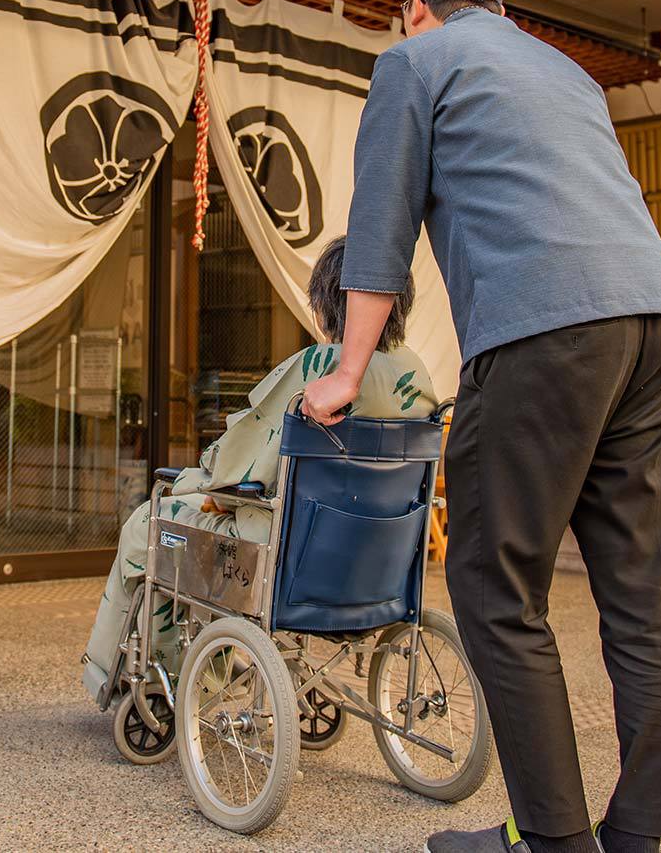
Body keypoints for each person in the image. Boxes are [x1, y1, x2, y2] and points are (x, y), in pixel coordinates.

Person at [300, 0, 661, 853]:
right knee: (643, 594)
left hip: (543, 329)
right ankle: (637, 834)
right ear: (503, 7)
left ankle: (552, 842)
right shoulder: (568, 74)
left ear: (415, 7)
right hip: (656, 323)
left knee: (493, 582)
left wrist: (350, 372)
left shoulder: (413, 60)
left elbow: (381, 225)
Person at [80, 235, 438, 704]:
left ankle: (139, 678)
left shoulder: (321, 369)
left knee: (150, 524)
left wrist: (201, 480)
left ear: (327, 305)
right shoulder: (419, 375)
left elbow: (236, 461)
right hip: (378, 563)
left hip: (283, 553)